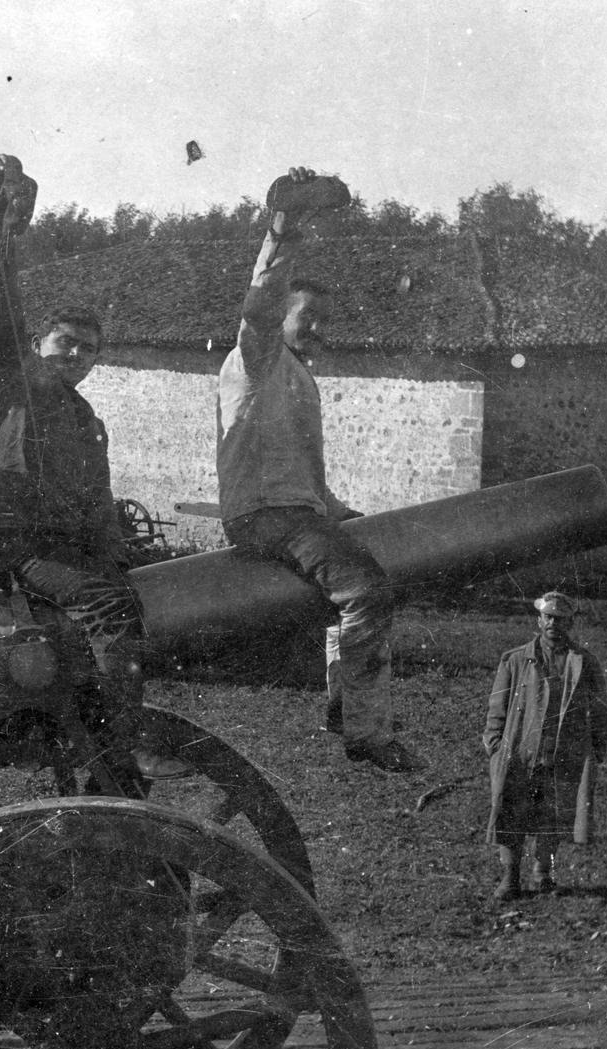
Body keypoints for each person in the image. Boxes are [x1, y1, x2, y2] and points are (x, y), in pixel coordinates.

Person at [0, 153, 187, 781]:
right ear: (38, 344)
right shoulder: (17, 382)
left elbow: (96, 499)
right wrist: (2, 239)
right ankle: (120, 746)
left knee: (120, 600)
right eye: (64, 342)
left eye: (87, 348)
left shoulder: (86, 418)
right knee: (109, 609)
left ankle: (89, 735)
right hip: (16, 543)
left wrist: (119, 549)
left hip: (66, 546)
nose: (76, 355)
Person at [215, 165, 421, 773]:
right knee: (366, 591)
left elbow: (299, 471)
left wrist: (337, 510)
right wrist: (283, 229)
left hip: (292, 511)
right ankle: (364, 730)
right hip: (267, 516)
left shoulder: (296, 374)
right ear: (282, 316)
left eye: (325, 320)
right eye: (308, 316)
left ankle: (341, 704)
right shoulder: (258, 356)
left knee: (359, 577)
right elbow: (257, 307)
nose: (319, 329)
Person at [482, 592, 607, 901]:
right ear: (539, 620)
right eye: (548, 617)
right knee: (511, 812)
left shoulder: (585, 663)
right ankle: (510, 877)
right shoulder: (515, 660)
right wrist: (496, 744)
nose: (553, 624)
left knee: (552, 816)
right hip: (519, 752)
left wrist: (596, 747)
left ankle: (544, 874)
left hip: (562, 752)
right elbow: (497, 706)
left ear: (571, 623)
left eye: (560, 619)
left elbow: (600, 709)